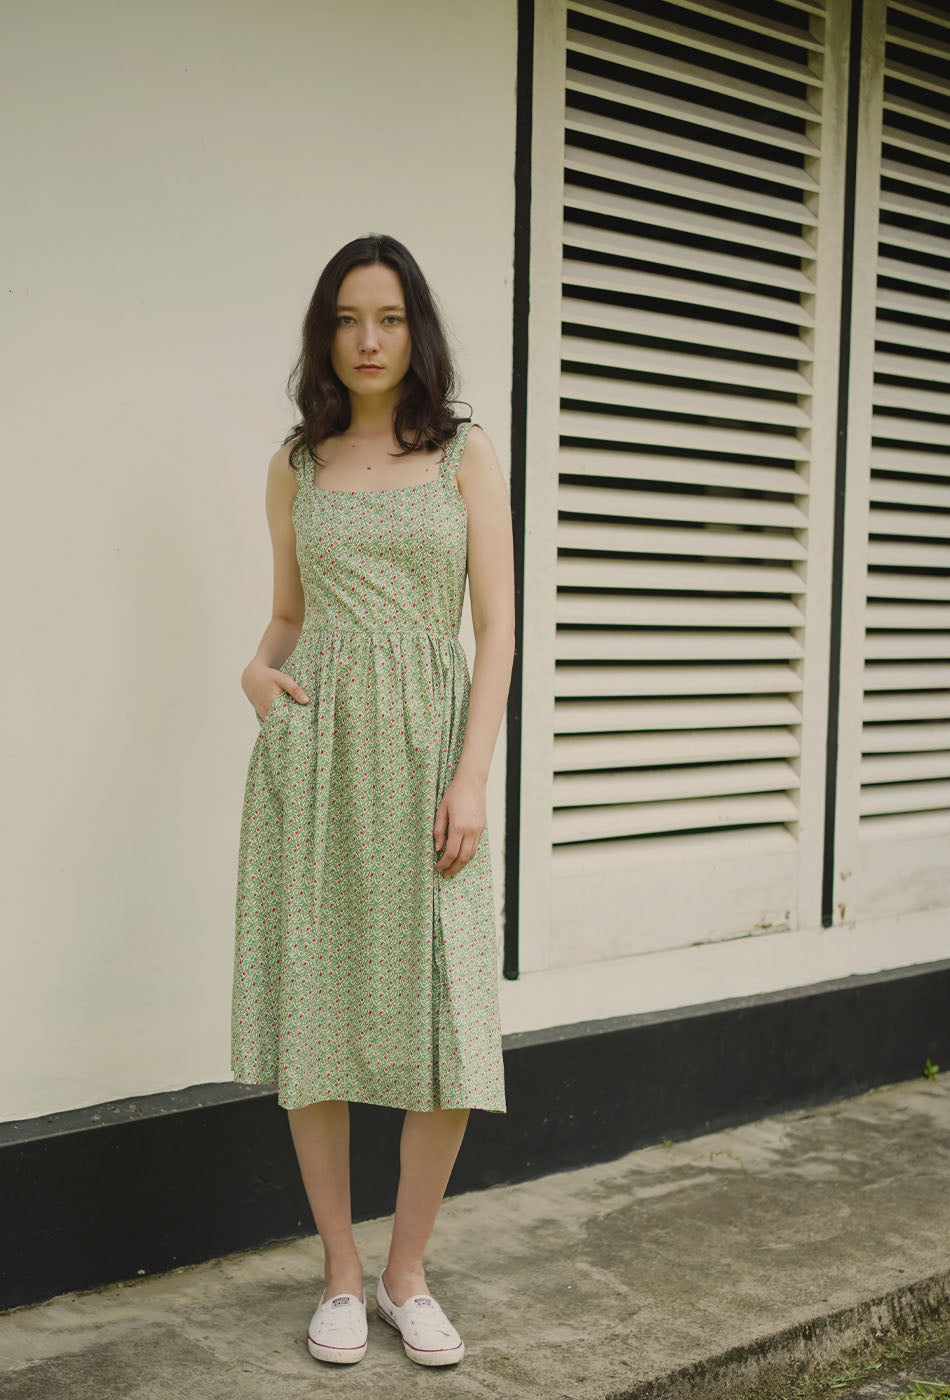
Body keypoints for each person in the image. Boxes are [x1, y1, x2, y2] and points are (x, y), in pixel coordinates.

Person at [230, 234, 515, 1368]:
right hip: (316, 758)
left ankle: (408, 1271)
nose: (367, 338)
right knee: (321, 1008)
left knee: (443, 1009)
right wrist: (255, 672)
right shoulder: (294, 463)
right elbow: (287, 617)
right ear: (325, 331)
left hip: (427, 751)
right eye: (349, 317)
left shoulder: (461, 453)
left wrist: (471, 774)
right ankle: (342, 1275)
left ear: (415, 329)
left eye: (388, 317)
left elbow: (493, 629)